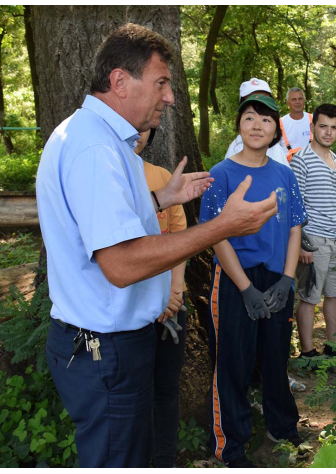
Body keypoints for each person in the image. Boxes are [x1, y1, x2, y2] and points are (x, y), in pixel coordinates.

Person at [36, 24, 277, 468]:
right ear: (120, 81)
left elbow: (101, 223)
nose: (170, 98)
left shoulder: (98, 138)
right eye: (161, 82)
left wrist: (161, 198)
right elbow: (122, 264)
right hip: (105, 348)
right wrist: (221, 227)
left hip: (110, 345)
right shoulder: (94, 148)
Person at [199, 93, 306, 468]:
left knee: (276, 356)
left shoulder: (284, 174)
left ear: (276, 130)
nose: (257, 125)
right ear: (238, 127)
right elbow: (215, 235)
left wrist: (287, 279)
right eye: (249, 117)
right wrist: (245, 289)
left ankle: (282, 427)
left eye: (265, 119)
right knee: (234, 362)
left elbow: (294, 227)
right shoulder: (221, 174)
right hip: (235, 280)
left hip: (277, 278)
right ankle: (230, 446)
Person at [133, 129, 188, 467]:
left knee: (166, 387)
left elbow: (179, 238)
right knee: (135, 392)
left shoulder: (162, 177)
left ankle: (165, 459)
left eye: (144, 129)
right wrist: (152, 300)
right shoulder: (107, 177)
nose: (137, 134)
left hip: (171, 306)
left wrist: (174, 292)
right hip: (134, 309)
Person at [289, 103, 336, 361]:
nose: (328, 132)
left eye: (334, 127)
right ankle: (307, 353)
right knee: (309, 297)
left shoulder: (335, 159)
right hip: (313, 241)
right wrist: (302, 244)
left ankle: (333, 347)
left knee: (335, 295)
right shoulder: (301, 160)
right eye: (323, 126)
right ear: (312, 126)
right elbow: (296, 204)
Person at [225, 78, 289, 166]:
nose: (259, 101)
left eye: (264, 98)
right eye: (252, 98)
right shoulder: (235, 149)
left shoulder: (276, 147)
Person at [280, 87, 312, 159]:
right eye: (294, 99)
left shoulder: (314, 120)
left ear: (304, 101)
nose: (297, 102)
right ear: (288, 103)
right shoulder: (280, 123)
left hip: (312, 164)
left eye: (300, 99)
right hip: (288, 165)